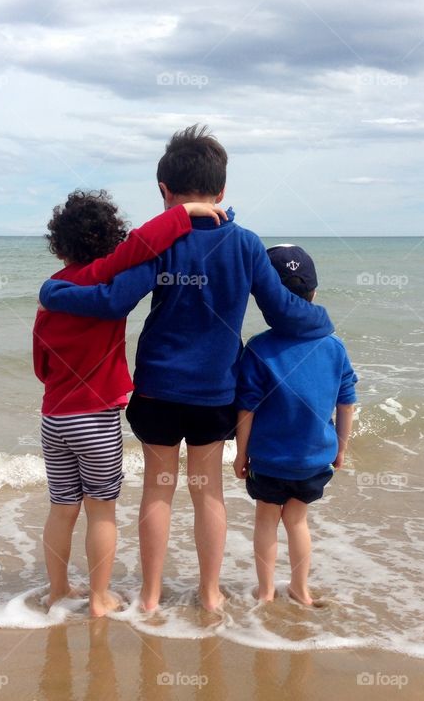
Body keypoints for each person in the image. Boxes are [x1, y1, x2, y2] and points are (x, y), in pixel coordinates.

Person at [38, 126, 335, 612]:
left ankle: (151, 597)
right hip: (215, 393)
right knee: (207, 493)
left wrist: (54, 292)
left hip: (157, 388)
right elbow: (281, 310)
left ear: (164, 193)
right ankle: (211, 594)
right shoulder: (245, 244)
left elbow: (113, 301)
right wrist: (322, 320)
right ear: (221, 192)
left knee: (158, 491)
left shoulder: (162, 242)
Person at [33, 188, 226, 617]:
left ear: (59, 244)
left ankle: (58, 590)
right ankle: (100, 598)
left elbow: (40, 364)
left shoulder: (53, 290)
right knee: (101, 512)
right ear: (110, 242)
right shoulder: (110, 276)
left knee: (62, 508)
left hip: (54, 418)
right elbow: (142, 248)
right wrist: (187, 215)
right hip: (96, 418)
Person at [233, 244, 357, 606]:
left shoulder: (259, 348)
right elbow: (347, 399)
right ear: (314, 293)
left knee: (266, 521)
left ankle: (266, 591)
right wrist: (341, 446)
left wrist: (241, 453)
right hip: (313, 460)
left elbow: (246, 407)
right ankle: (300, 588)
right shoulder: (334, 347)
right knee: (297, 522)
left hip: (270, 460)